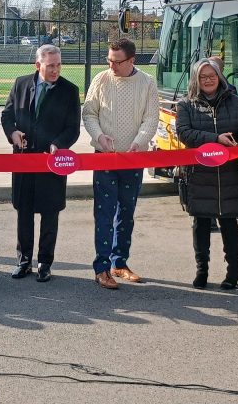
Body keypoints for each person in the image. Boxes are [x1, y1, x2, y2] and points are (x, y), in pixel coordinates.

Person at [82, 38, 158, 290]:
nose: (111, 66)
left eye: (117, 61)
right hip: (104, 156)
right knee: (104, 213)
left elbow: (151, 117)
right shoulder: (101, 80)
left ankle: (120, 263)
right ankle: (101, 268)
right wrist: (98, 136)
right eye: (109, 60)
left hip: (133, 158)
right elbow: (89, 113)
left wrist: (140, 141)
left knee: (126, 212)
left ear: (132, 60)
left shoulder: (147, 83)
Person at [1, 45, 81, 283]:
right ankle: (23, 260)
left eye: (58, 65)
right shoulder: (21, 84)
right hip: (24, 161)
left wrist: (58, 144)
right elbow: (7, 115)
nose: (55, 70)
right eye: (50, 66)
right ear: (38, 65)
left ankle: (45, 263)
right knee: (23, 213)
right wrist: (13, 133)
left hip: (51, 163)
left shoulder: (70, 90)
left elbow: (72, 129)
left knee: (50, 214)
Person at [176, 58, 238, 289]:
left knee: (229, 224)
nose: (208, 80)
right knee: (200, 223)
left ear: (219, 77)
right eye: (203, 76)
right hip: (199, 174)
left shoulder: (235, 102)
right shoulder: (186, 104)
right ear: (196, 79)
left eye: (212, 75)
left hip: (229, 174)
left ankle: (232, 274)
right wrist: (215, 140)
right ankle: (202, 270)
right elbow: (184, 133)